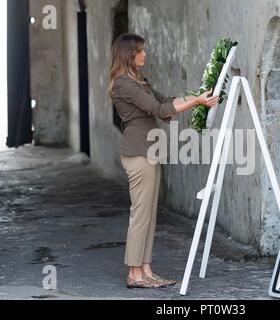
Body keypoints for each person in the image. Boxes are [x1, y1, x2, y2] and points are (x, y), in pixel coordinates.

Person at [108, 33, 219, 288]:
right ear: (129, 54)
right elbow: (157, 110)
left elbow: (165, 101)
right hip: (138, 153)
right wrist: (197, 101)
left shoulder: (138, 80)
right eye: (141, 50)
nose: (145, 54)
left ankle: (146, 270)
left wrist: (198, 97)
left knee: (148, 214)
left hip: (148, 150)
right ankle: (134, 275)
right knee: (140, 214)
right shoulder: (123, 83)